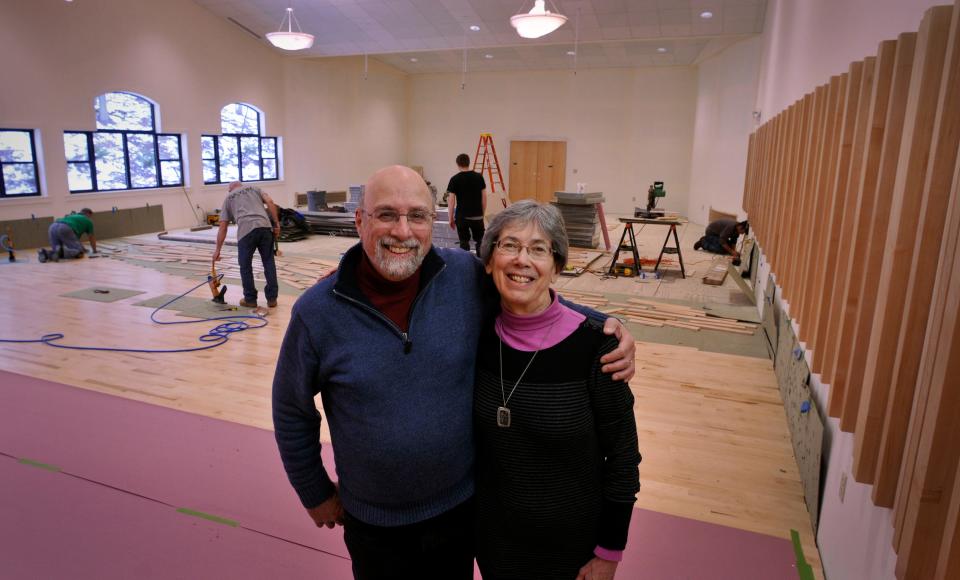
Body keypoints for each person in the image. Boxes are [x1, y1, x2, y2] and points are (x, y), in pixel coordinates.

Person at [272, 165, 636, 580]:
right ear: (360, 221)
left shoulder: (462, 277)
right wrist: (314, 490)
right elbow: (290, 409)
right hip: (374, 525)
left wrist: (607, 324)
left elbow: (528, 292)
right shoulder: (319, 312)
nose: (403, 231)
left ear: (435, 222)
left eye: (418, 216)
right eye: (387, 214)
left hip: (460, 514)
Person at [474, 200, 641, 580]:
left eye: (538, 249)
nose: (522, 260)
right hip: (494, 541)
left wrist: (610, 551)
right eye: (509, 246)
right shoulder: (475, 332)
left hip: (575, 549)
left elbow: (623, 457)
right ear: (488, 261)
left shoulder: (598, 346)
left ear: (557, 266)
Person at [212, 181, 280, 308]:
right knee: (269, 262)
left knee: (245, 266)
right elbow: (270, 202)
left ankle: (250, 299)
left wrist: (217, 250)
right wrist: (276, 223)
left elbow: (223, 227)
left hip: (246, 232)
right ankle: (272, 299)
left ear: (230, 189)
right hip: (265, 227)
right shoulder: (255, 188)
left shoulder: (229, 198)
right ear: (241, 185)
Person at [446, 153, 487, 253]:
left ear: (457, 164)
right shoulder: (479, 177)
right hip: (477, 216)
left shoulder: (454, 179)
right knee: (480, 242)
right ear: (469, 163)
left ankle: (466, 264)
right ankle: (481, 265)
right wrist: (482, 214)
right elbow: (484, 198)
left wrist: (450, 218)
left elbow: (451, 201)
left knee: (464, 242)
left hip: (462, 217)